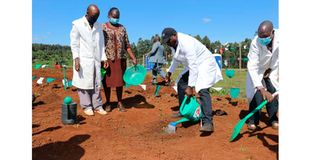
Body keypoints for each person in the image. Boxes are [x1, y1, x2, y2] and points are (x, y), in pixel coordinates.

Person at [162, 28, 223, 132]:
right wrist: (169, 72)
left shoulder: (186, 42)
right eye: (166, 42)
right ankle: (184, 110)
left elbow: (193, 66)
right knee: (181, 82)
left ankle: (208, 122)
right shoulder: (173, 45)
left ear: (174, 36)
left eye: (168, 40)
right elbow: (176, 60)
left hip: (204, 63)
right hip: (193, 65)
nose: (167, 43)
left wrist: (191, 87)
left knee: (202, 88)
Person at [70, 4, 108, 116]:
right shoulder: (77, 24)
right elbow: (74, 43)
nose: (95, 19)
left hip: (96, 59)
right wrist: (76, 58)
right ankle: (87, 106)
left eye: (97, 17)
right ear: (87, 13)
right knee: (84, 84)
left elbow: (101, 44)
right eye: (93, 16)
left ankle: (98, 106)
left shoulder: (98, 26)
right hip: (83, 60)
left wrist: (103, 58)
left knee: (97, 83)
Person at [102, 7, 137, 112]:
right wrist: (103, 59)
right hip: (107, 59)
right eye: (114, 17)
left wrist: (133, 57)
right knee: (107, 82)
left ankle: (119, 102)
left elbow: (127, 45)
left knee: (120, 82)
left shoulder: (122, 28)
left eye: (117, 17)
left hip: (120, 59)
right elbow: (99, 45)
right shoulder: (103, 27)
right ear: (109, 16)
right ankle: (108, 102)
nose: (116, 19)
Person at [246, 20, 279, 131]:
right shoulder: (255, 43)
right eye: (260, 36)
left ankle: (273, 119)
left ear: (272, 32)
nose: (262, 39)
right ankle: (253, 121)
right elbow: (252, 65)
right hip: (258, 70)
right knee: (257, 95)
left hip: (274, 68)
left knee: (273, 91)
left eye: (265, 36)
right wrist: (261, 88)